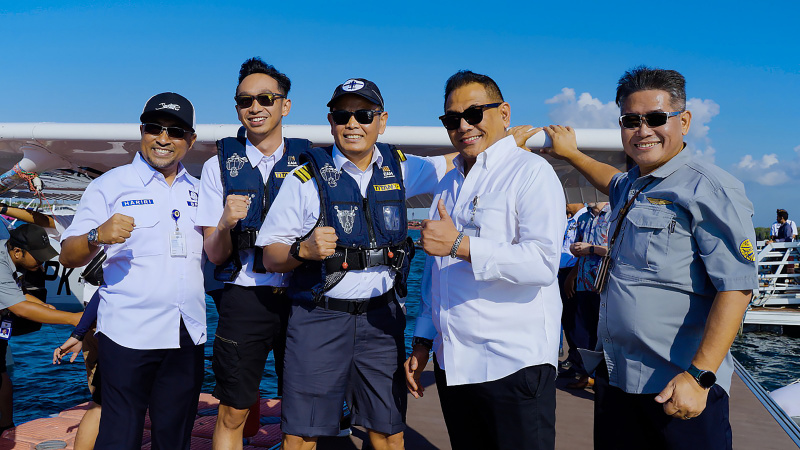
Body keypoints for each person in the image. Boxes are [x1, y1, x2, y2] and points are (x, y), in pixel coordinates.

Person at [541, 66, 756, 450]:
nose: (642, 130)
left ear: (684, 121)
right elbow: (610, 179)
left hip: (678, 387)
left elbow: (737, 288)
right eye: (630, 120)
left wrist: (700, 377)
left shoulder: (708, 188)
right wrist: (572, 153)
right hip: (619, 379)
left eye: (655, 118)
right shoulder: (635, 185)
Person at [258, 77, 452, 450]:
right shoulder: (304, 179)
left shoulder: (404, 169)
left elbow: (458, 157)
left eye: (363, 114)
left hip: (382, 323)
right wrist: (303, 251)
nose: (352, 124)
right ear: (330, 122)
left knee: (388, 433)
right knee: (301, 435)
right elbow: (270, 255)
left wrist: (510, 139)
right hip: (319, 318)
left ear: (382, 121)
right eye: (342, 115)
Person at [407, 70, 565, 450]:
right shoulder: (449, 182)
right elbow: (436, 271)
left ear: (504, 114)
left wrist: (461, 244)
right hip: (454, 362)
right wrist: (423, 339)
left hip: (512, 364)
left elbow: (543, 262)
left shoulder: (532, 173)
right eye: (452, 119)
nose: (463, 126)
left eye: (475, 113)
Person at [59, 92, 206, 450]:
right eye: (154, 127)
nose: (163, 138)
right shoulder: (109, 185)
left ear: (190, 140)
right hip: (127, 335)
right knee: (119, 439)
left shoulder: (202, 192)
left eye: (175, 131)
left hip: (187, 334)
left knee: (174, 440)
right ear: (142, 131)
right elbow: (67, 254)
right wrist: (97, 234)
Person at [195, 57, 311, 450]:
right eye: (245, 101)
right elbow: (213, 255)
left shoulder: (313, 163)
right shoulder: (217, 169)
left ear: (285, 104)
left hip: (304, 297)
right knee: (234, 409)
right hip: (245, 296)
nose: (255, 107)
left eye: (265, 98)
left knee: (303, 411)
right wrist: (226, 222)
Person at [0, 223, 82, 431]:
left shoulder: (9, 253)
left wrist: (41, 305)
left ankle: (6, 427)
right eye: (38, 257)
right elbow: (20, 308)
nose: (42, 264)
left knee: (1, 373)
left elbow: (16, 293)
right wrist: (73, 319)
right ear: (18, 252)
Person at [563, 201, 611, 389]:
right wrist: (572, 277)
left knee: (604, 334)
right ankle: (586, 374)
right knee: (583, 331)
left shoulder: (614, 214)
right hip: (583, 284)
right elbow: (580, 251)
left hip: (605, 286)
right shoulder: (583, 218)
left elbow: (617, 251)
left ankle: (602, 378)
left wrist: (591, 249)